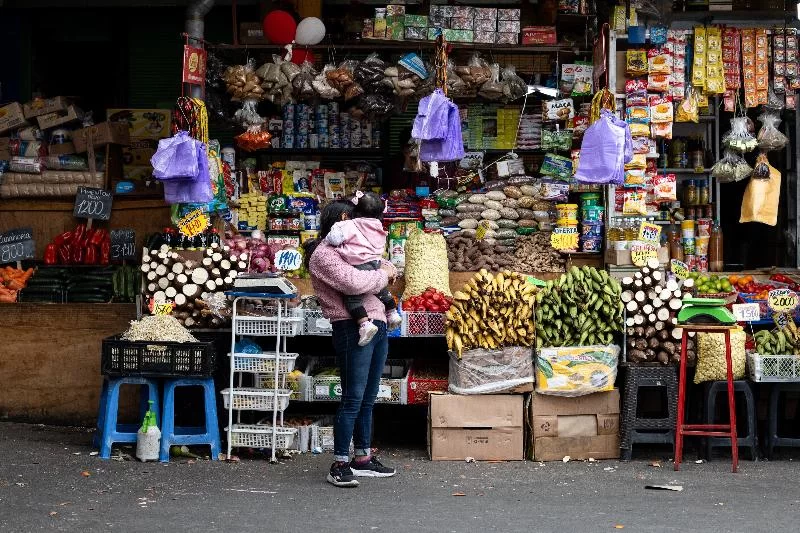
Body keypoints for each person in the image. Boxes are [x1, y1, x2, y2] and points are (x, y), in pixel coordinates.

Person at [306, 200, 398, 488]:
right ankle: (340, 462)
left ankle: (362, 458)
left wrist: (380, 272)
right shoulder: (324, 254)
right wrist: (382, 276)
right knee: (353, 398)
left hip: (378, 323)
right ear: (344, 219)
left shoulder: (356, 245)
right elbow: (355, 283)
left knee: (369, 397)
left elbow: (385, 264)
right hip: (351, 327)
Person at [325, 191, 402, 346]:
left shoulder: (349, 225)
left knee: (352, 298)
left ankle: (365, 325)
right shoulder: (378, 226)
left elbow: (333, 239)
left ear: (355, 211)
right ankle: (393, 313)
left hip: (359, 264)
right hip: (375, 263)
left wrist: (332, 232)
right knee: (380, 289)